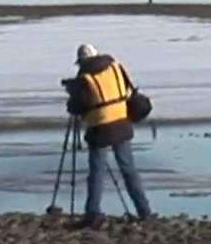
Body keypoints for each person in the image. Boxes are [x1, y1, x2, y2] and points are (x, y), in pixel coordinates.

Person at [63, 43, 154, 229]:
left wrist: (72, 95)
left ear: (81, 61)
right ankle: (145, 212)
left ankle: (93, 213)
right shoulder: (116, 67)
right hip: (121, 122)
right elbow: (128, 90)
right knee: (128, 169)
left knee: (96, 172)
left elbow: (78, 106)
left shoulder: (85, 77)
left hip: (100, 128)